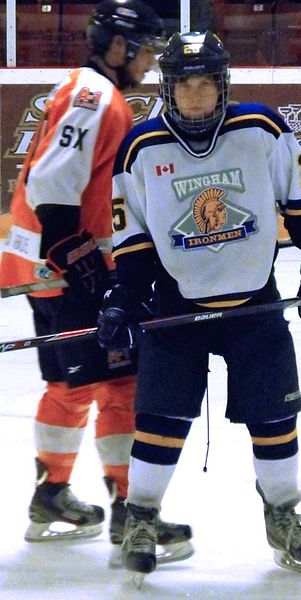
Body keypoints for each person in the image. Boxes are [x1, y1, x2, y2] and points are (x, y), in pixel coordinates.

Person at [97, 30, 301, 580]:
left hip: (254, 304)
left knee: (274, 415)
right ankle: (141, 515)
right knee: (160, 419)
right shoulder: (142, 147)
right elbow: (134, 236)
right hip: (175, 306)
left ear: (222, 85)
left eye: (204, 83)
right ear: (168, 89)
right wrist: (125, 294)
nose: (194, 96)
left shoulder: (260, 128)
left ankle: (283, 515)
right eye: (184, 84)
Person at [0, 0, 193, 562]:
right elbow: (50, 186)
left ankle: (52, 495)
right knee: (120, 386)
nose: (153, 60)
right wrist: (83, 261)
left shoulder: (87, 90)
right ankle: (131, 515)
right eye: (148, 48)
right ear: (118, 47)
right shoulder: (96, 97)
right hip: (64, 267)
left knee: (68, 385)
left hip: (38, 265)